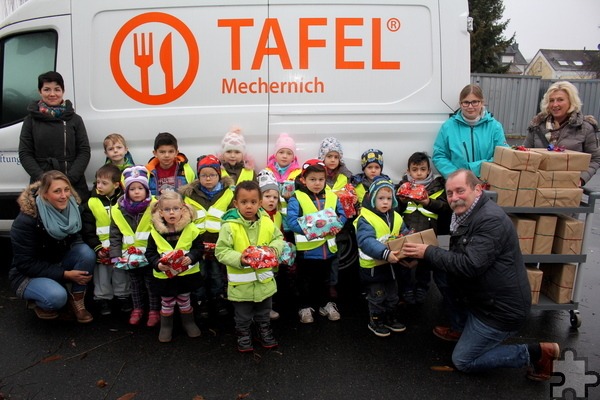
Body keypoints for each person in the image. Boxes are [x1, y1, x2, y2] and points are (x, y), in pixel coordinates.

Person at [402, 169, 560, 381]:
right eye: (450, 193)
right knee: (439, 267)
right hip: (484, 295)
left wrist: (427, 252)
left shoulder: (490, 220)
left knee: (463, 361)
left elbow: (469, 265)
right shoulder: (466, 213)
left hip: (499, 310)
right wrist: (422, 256)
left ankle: (537, 353)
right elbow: (456, 258)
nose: (454, 197)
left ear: (477, 189)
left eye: (460, 191)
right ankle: (461, 327)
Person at [9, 170, 96, 323]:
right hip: (27, 274)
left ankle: (77, 301)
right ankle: (38, 300)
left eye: (66, 189)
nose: (64, 196)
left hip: (55, 262)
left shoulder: (72, 210)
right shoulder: (26, 221)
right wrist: (65, 274)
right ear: (44, 194)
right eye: (57, 191)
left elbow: (76, 239)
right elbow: (25, 264)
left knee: (86, 253)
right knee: (56, 298)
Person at [215, 181, 285, 352]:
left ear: (259, 203)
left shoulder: (267, 222)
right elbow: (221, 251)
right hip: (241, 285)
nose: (249, 206)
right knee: (243, 314)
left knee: (264, 311)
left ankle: (264, 331)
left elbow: (278, 238)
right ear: (236, 204)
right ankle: (244, 334)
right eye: (244, 202)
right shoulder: (229, 226)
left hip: (264, 281)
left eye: (253, 202)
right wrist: (240, 259)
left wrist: (274, 250)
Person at [287, 159, 347, 323]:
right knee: (305, 281)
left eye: (321, 179)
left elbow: (342, 215)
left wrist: (337, 226)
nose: (317, 183)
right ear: (303, 180)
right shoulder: (296, 198)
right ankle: (305, 308)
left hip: (328, 250)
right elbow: (291, 221)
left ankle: (325, 304)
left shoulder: (332, 196)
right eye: (312, 179)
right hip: (307, 252)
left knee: (326, 280)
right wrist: (313, 230)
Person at [18, 71, 91, 201]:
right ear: (40, 91)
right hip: (41, 184)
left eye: (57, 89)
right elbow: (25, 153)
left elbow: (84, 151)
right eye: (47, 89)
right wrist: (44, 179)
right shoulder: (30, 121)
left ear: (63, 91)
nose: (52, 94)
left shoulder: (75, 119)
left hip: (73, 184)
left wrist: (69, 179)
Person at [180, 155, 234, 317]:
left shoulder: (228, 194)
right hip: (198, 244)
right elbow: (185, 218)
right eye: (204, 175)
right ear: (198, 176)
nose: (208, 178)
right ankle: (200, 300)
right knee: (200, 273)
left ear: (219, 175)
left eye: (212, 175)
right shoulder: (190, 195)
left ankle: (218, 298)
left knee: (217, 274)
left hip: (219, 243)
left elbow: (232, 216)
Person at [146, 191, 203, 343]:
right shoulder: (155, 232)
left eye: (176, 208)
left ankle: (189, 322)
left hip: (186, 275)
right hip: (164, 277)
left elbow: (199, 248)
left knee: (185, 298)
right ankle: (166, 327)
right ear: (160, 212)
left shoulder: (191, 229)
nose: (172, 212)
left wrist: (190, 257)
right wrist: (158, 264)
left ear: (183, 209)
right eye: (167, 209)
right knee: (167, 301)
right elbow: (150, 253)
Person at [355, 177, 409, 337]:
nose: (385, 202)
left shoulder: (397, 217)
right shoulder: (366, 219)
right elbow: (366, 241)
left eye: (389, 198)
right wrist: (385, 253)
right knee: (377, 297)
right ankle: (376, 321)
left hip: (391, 266)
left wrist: (409, 238)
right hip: (373, 268)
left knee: (393, 295)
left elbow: (403, 232)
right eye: (380, 198)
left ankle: (390, 318)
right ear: (372, 199)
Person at [396, 152, 450, 304]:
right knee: (405, 263)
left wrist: (428, 202)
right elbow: (394, 211)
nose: (419, 173)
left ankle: (422, 288)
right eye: (415, 169)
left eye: (422, 169)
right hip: (407, 232)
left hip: (429, 233)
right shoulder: (402, 187)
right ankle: (405, 289)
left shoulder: (438, 187)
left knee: (425, 264)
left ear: (428, 171)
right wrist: (401, 201)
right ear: (408, 172)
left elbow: (445, 208)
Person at [109, 166, 161, 327]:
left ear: (146, 189)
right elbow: (115, 233)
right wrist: (115, 253)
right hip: (129, 256)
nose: (137, 192)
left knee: (151, 282)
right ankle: (137, 308)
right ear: (126, 190)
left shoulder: (155, 206)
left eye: (140, 188)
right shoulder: (119, 210)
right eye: (132, 188)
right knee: (135, 283)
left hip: (150, 255)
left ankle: (154, 310)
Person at [524, 80, 600, 186]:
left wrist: (581, 179)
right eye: (551, 100)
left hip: (567, 188)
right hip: (537, 186)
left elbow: (595, 159)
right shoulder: (537, 125)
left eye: (560, 100)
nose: (555, 104)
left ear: (571, 101)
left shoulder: (584, 127)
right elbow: (524, 154)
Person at [81, 164, 131, 316]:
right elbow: (87, 229)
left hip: (121, 247)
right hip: (102, 248)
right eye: (97, 182)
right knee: (102, 275)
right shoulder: (91, 202)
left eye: (104, 183)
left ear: (116, 184)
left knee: (121, 273)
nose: (99, 186)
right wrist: (97, 247)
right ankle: (102, 299)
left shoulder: (124, 202)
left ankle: (123, 296)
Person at [432, 84, 507, 179]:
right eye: (466, 102)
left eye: (475, 102)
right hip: (458, 184)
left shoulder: (494, 127)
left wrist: (476, 168)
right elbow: (439, 156)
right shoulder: (448, 127)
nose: (470, 106)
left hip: (487, 182)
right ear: (460, 104)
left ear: (482, 102)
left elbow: (503, 156)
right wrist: (456, 176)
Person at [265, 133, 302, 221]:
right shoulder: (267, 171)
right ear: (275, 154)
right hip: (272, 214)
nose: (285, 156)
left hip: (291, 213)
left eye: (289, 153)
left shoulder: (298, 173)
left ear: (293, 157)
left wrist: (291, 197)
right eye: (281, 152)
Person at [146, 132, 195, 197]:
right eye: (162, 152)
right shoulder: (148, 172)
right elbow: (145, 196)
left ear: (176, 153)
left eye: (171, 151)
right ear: (155, 153)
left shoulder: (186, 170)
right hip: (156, 206)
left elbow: (193, 192)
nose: (167, 155)